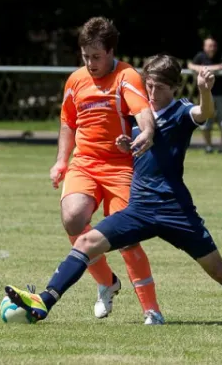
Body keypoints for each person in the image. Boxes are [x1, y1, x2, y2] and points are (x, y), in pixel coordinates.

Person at [5, 54, 222, 327]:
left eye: (159, 87)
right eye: (149, 86)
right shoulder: (137, 117)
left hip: (175, 211)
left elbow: (204, 112)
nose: (152, 93)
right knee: (85, 242)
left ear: (174, 86)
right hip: (139, 209)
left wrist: (205, 90)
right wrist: (126, 146)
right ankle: (44, 301)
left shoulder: (181, 112)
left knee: (219, 270)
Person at [49, 16, 162, 324]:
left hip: (119, 167)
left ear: (112, 51)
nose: (90, 63)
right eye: (86, 57)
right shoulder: (75, 81)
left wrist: (146, 134)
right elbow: (67, 123)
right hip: (84, 163)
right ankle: (106, 282)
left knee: (126, 237)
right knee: (73, 219)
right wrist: (62, 161)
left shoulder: (127, 76)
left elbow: (142, 112)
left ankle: (151, 310)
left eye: (96, 57)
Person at [187, 36, 222, 153]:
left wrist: (202, 69)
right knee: (205, 120)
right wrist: (214, 68)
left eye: (214, 46)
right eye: (209, 45)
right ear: (204, 47)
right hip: (206, 94)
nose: (212, 48)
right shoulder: (200, 56)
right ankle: (208, 146)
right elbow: (190, 65)